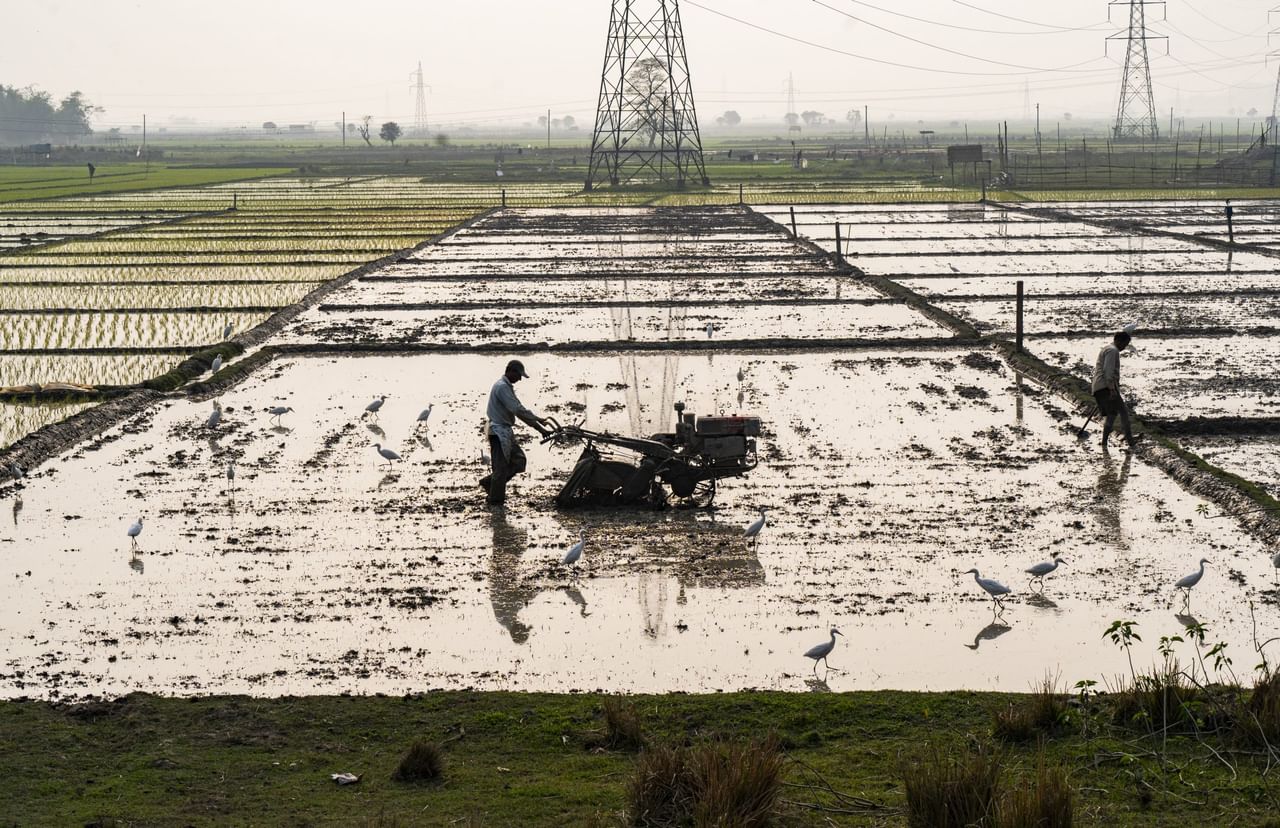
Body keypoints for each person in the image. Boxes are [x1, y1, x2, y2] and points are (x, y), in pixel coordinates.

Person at [480, 359, 552, 506]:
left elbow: (519, 409)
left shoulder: (506, 387)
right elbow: (518, 410)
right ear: (510, 371)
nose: (519, 379)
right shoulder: (501, 387)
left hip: (505, 431)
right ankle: (495, 501)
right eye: (518, 375)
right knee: (500, 468)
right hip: (498, 432)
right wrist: (538, 419)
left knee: (519, 460)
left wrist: (541, 429)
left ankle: (490, 483)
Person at [1091, 331, 1135, 450]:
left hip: (1099, 387)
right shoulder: (1113, 351)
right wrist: (1111, 389)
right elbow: (1108, 371)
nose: (1124, 347)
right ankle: (1131, 442)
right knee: (1123, 412)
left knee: (1111, 414)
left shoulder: (1107, 348)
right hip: (1105, 386)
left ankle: (1104, 442)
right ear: (1119, 341)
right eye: (1125, 344)